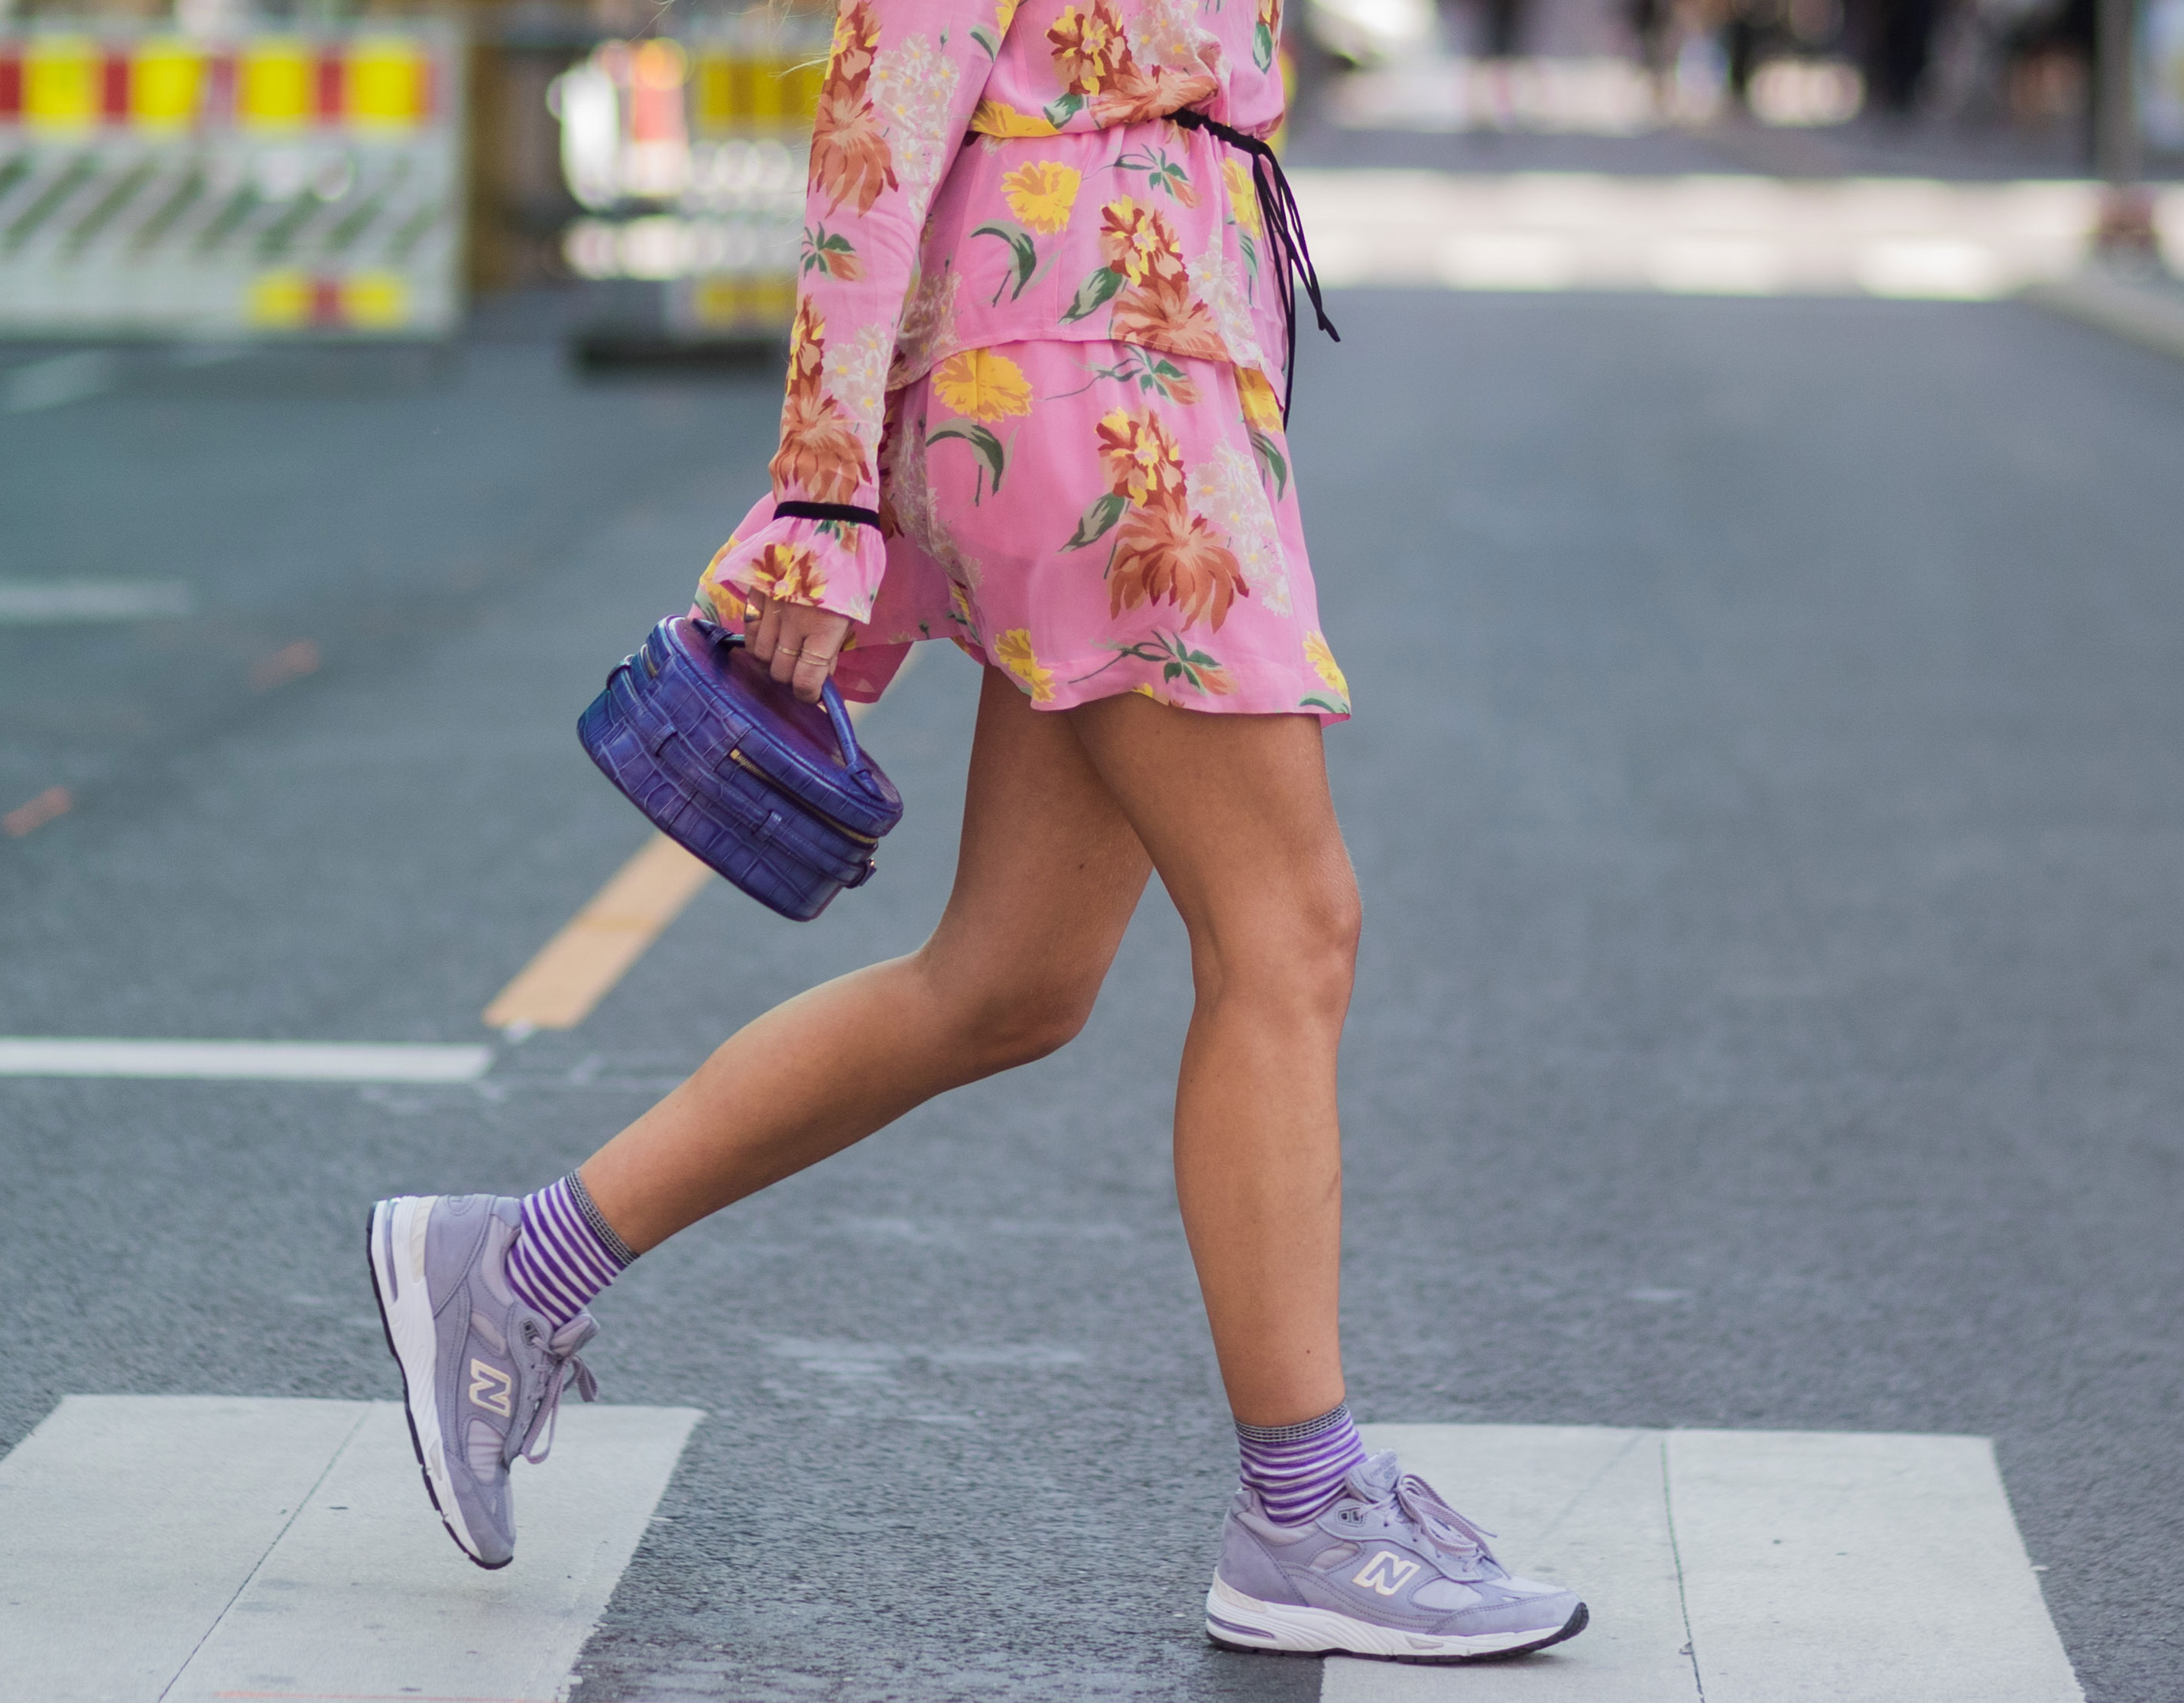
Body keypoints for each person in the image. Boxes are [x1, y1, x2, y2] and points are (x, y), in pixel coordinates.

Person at [365, 0, 1591, 1664]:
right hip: (1104, 388)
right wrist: (817, 492)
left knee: (1011, 979)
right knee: (1289, 929)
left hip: (1145, 359)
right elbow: (878, 106)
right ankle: (1304, 1513)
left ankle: (514, 1266)